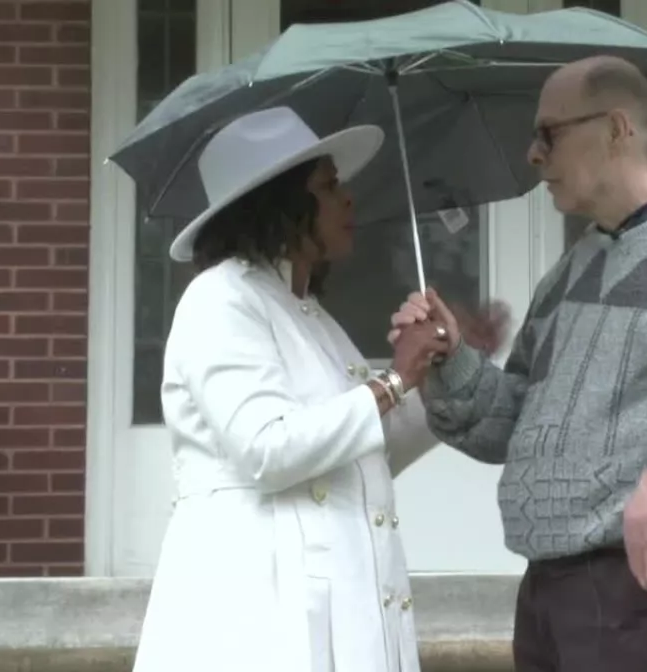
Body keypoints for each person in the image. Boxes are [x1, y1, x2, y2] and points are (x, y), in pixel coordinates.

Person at [390, 56, 647, 671]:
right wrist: (451, 361)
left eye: (549, 134)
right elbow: (514, 422)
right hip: (548, 585)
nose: (534, 156)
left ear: (617, 128)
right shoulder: (572, 271)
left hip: (636, 585)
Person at [132, 106, 496, 672]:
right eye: (328, 187)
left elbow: (363, 455)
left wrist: (439, 368)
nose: (348, 199)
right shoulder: (219, 299)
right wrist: (394, 378)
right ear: (281, 205)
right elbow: (268, 449)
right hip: (253, 618)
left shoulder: (311, 317)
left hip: (335, 613)